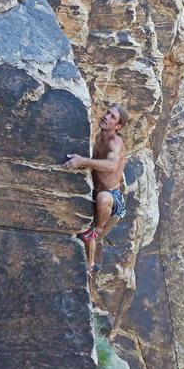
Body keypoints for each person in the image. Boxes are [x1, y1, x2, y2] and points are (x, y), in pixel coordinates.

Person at [63, 103, 129, 276]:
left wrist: (83, 161)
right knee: (85, 235)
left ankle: (97, 229)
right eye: (107, 113)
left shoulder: (116, 143)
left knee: (102, 201)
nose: (106, 117)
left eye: (112, 117)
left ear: (118, 126)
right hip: (96, 191)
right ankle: (90, 266)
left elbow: (112, 166)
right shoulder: (99, 137)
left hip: (111, 198)